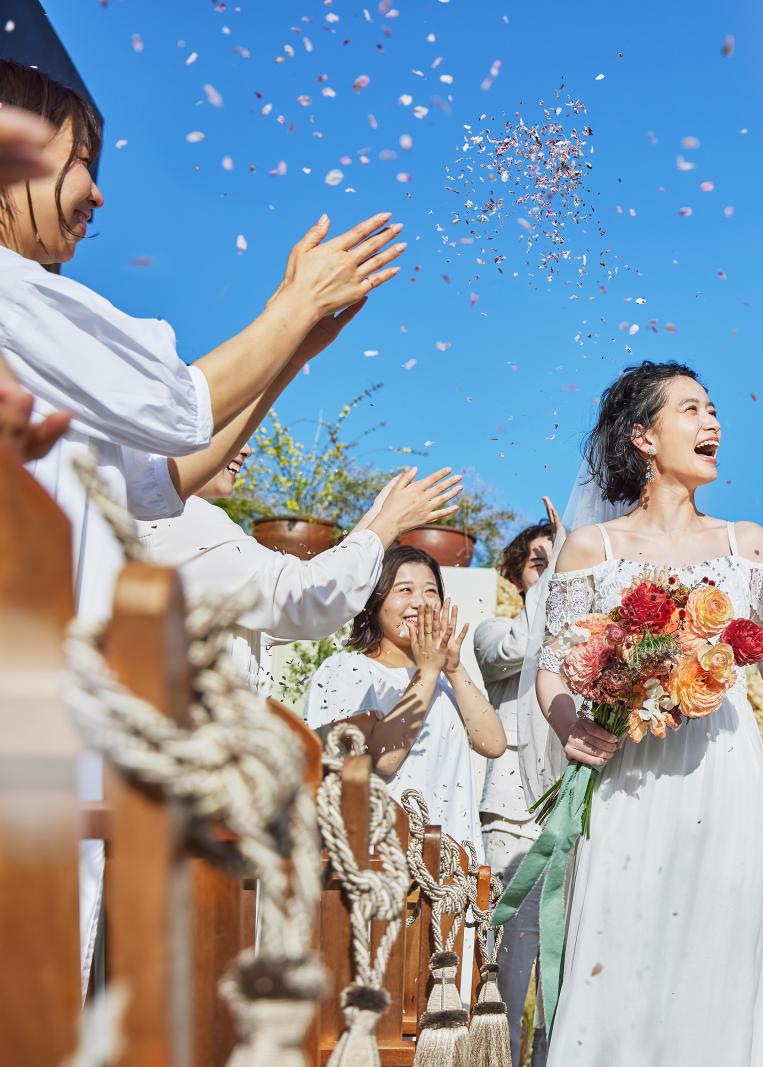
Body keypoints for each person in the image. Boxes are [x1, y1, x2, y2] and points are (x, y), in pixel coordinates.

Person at [0, 60, 405, 621]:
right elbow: (178, 410)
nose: (96, 194)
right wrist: (295, 306)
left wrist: (289, 352)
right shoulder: (12, 293)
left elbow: (157, 483)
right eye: (81, 162)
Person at [532, 360, 763, 1066]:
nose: (713, 423)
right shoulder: (592, 548)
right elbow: (552, 669)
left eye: (713, 410)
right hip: (629, 777)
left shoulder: (747, 544)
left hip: (724, 772)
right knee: (623, 944)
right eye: (691, 409)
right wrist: (571, 726)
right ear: (643, 436)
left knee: (722, 947)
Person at [137, 445, 462, 690]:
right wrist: (388, 523)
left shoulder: (171, 519)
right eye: (230, 426)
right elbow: (303, 597)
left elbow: (292, 603)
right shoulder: (183, 518)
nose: (247, 449)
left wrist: (377, 517)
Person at [304, 545, 506, 853]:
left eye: (430, 591)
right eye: (404, 590)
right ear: (374, 602)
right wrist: (427, 671)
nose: (420, 602)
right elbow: (385, 759)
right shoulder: (347, 669)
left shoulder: (444, 680)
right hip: (381, 861)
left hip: (454, 863)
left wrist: (453, 669)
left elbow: (493, 744)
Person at [474, 504, 565, 1066]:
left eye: (557, 559)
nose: (551, 567)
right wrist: (561, 573)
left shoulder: (588, 637)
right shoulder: (493, 632)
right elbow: (517, 650)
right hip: (513, 819)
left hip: (574, 819)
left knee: (563, 982)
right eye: (539, 562)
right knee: (508, 973)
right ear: (516, 574)